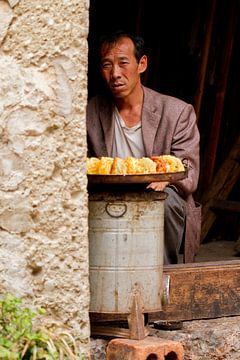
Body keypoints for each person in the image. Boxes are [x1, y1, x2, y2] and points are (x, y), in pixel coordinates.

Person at [86, 30, 201, 264]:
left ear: (142, 64)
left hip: (159, 190)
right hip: (110, 192)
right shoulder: (91, 111)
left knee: (163, 201)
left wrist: (168, 178)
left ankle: (160, 276)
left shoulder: (177, 112)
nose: (115, 73)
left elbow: (189, 169)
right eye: (107, 65)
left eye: (123, 63)